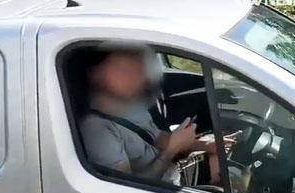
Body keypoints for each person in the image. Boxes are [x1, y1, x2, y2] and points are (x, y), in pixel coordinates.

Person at [80, 46, 233, 185]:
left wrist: (206, 146)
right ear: (97, 76)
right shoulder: (97, 130)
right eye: (123, 71)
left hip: (172, 172)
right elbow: (129, 190)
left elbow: (158, 138)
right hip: (160, 192)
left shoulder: (130, 104)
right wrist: (173, 149)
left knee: (226, 164)